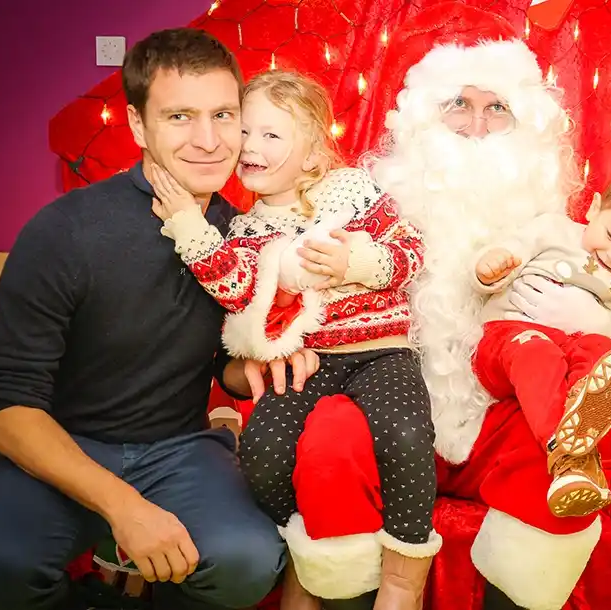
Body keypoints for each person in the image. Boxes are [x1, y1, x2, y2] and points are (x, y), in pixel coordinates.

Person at [280, 4, 611, 609]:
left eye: (497, 108)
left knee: (558, 456)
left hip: (497, 417)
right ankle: (349, 596)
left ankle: (515, 594)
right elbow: (304, 289)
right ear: (424, 121)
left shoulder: (551, 224)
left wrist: (597, 322)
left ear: (528, 130)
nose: (474, 125)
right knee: (330, 440)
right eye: (458, 106)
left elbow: (608, 306)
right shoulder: (373, 208)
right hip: (386, 411)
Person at [0, 28, 313, 610]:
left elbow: (225, 357)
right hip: (66, 442)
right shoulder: (66, 232)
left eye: (223, 115)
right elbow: (4, 406)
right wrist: (124, 506)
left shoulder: (246, 234)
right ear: (137, 126)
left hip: (179, 446)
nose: (208, 140)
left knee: (248, 562)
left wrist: (256, 363)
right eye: (180, 116)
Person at [150, 69, 436, 610]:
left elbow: (410, 250)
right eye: (247, 134)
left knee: (403, 433)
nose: (250, 147)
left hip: (380, 353)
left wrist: (361, 260)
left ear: (311, 153)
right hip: (309, 362)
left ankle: (404, 573)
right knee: (263, 453)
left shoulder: (350, 190)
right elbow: (236, 291)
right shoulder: (243, 231)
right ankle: (306, 557)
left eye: (271, 135)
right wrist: (190, 224)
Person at [472, 162, 611, 517]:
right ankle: (568, 449)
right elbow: (505, 258)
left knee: (604, 350)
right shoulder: (553, 230)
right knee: (538, 353)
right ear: (595, 207)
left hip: (570, 358)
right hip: (511, 338)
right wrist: (488, 268)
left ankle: (579, 422)